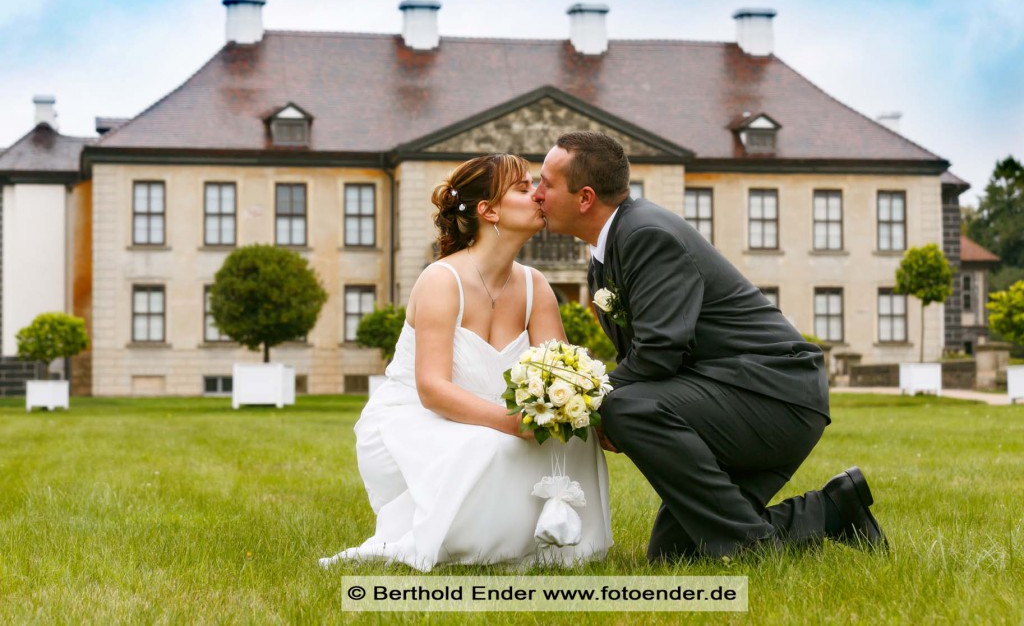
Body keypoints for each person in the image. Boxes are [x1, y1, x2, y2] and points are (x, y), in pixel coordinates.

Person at [533, 131, 885, 562]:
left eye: (545, 184)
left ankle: (751, 549)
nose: (536, 195)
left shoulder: (646, 234)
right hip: (729, 397)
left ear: (585, 197)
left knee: (625, 407)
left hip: (775, 396)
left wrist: (587, 401)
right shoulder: (609, 249)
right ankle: (833, 508)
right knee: (675, 555)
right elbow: (644, 355)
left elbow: (658, 352)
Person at [320, 154, 612, 571]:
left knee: (573, 441)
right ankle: (476, 547)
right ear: (488, 210)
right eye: (524, 188)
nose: (539, 196)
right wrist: (513, 423)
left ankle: (556, 547)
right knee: (490, 444)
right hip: (420, 417)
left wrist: (573, 409)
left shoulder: (535, 285)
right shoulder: (442, 280)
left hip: (492, 415)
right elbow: (432, 389)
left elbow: (561, 370)